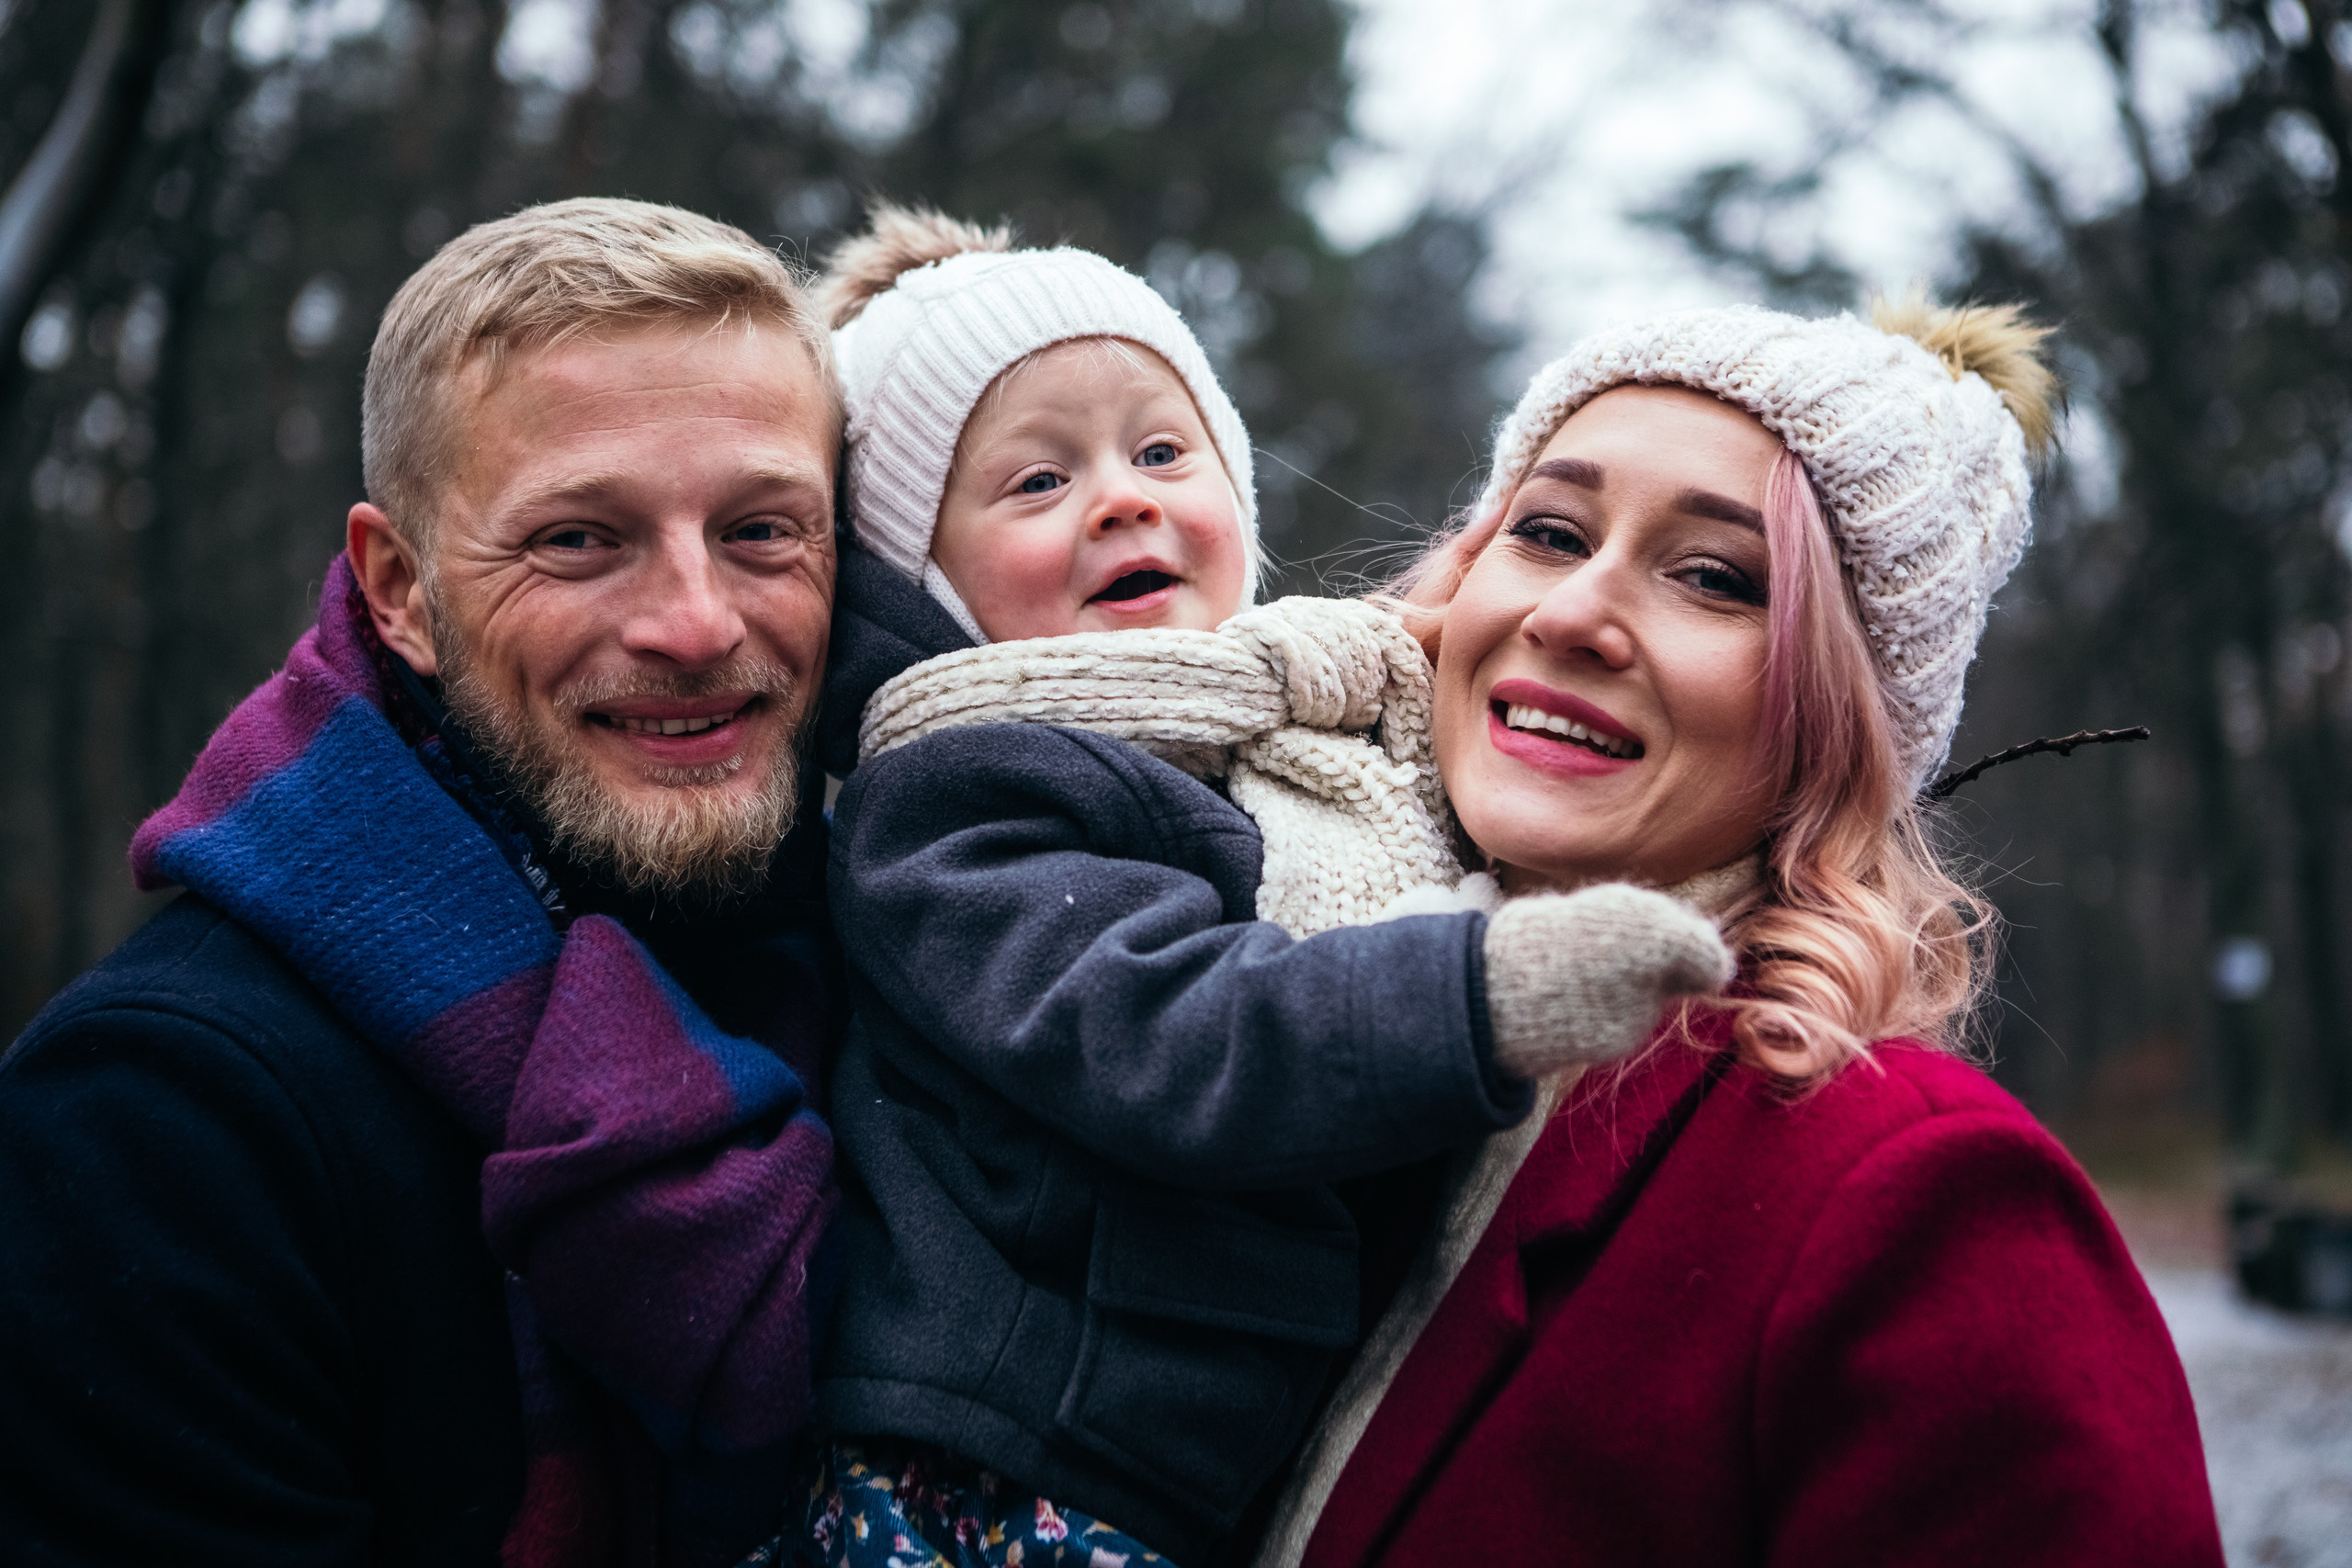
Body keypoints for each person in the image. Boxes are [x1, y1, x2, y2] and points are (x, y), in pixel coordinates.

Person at [763, 208, 1739, 1568]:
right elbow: (1169, 1031)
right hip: (1002, 1479)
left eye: (1164, 449)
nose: (1124, 495)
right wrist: (1480, 987)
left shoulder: (1270, 747)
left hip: (1179, 1473)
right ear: (921, 579)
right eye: (1036, 483)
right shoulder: (955, 799)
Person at [1248, 299, 2226, 1567]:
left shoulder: (1915, 1200)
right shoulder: (1262, 1044)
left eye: (1715, 576)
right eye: (1548, 532)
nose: (1573, 614)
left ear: (1837, 721)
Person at [0, 199, 843, 1568]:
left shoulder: (904, 988)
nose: (697, 622)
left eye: (761, 532)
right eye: (579, 540)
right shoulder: (159, 1120)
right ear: (398, 589)